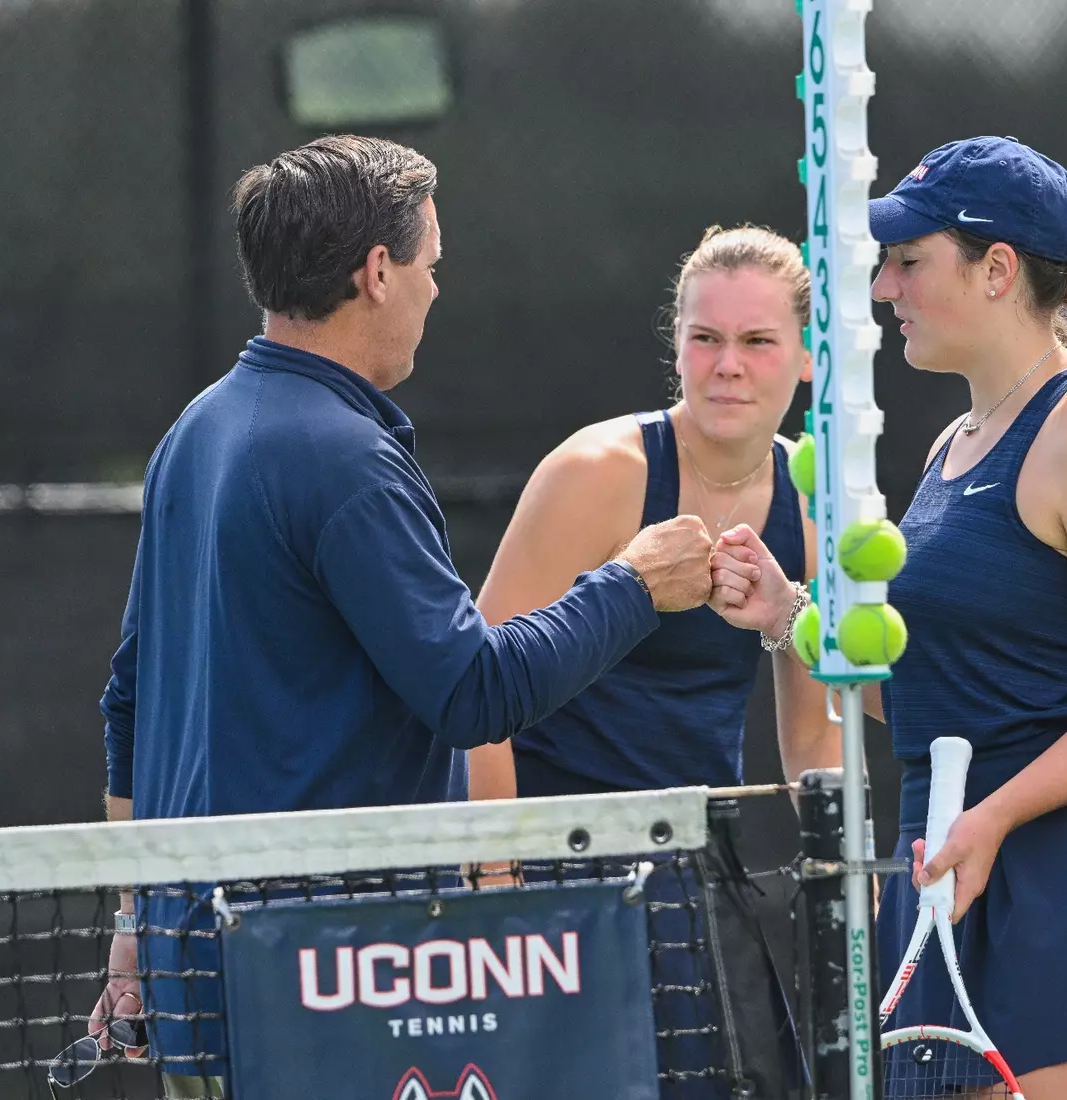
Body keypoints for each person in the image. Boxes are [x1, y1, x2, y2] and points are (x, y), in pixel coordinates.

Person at [89, 135, 727, 1099]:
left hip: (200, 967)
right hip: (324, 978)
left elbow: (124, 706)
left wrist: (136, 923)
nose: (437, 288)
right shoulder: (343, 461)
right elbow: (474, 694)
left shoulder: (197, 430)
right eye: (431, 265)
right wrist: (635, 582)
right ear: (378, 273)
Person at [720, 136, 1067, 1097]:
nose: (882, 288)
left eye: (910, 262)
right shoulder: (955, 443)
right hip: (951, 874)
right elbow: (937, 710)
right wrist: (787, 616)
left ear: (996, 271)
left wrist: (994, 816)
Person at [465, 225, 839, 1097]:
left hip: (691, 887)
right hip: (553, 882)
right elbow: (472, 702)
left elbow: (813, 748)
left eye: (756, 342)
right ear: (678, 347)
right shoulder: (598, 471)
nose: (727, 365)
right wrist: (500, 897)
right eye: (705, 339)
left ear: (807, 359)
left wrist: (840, 896)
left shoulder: (814, 503)